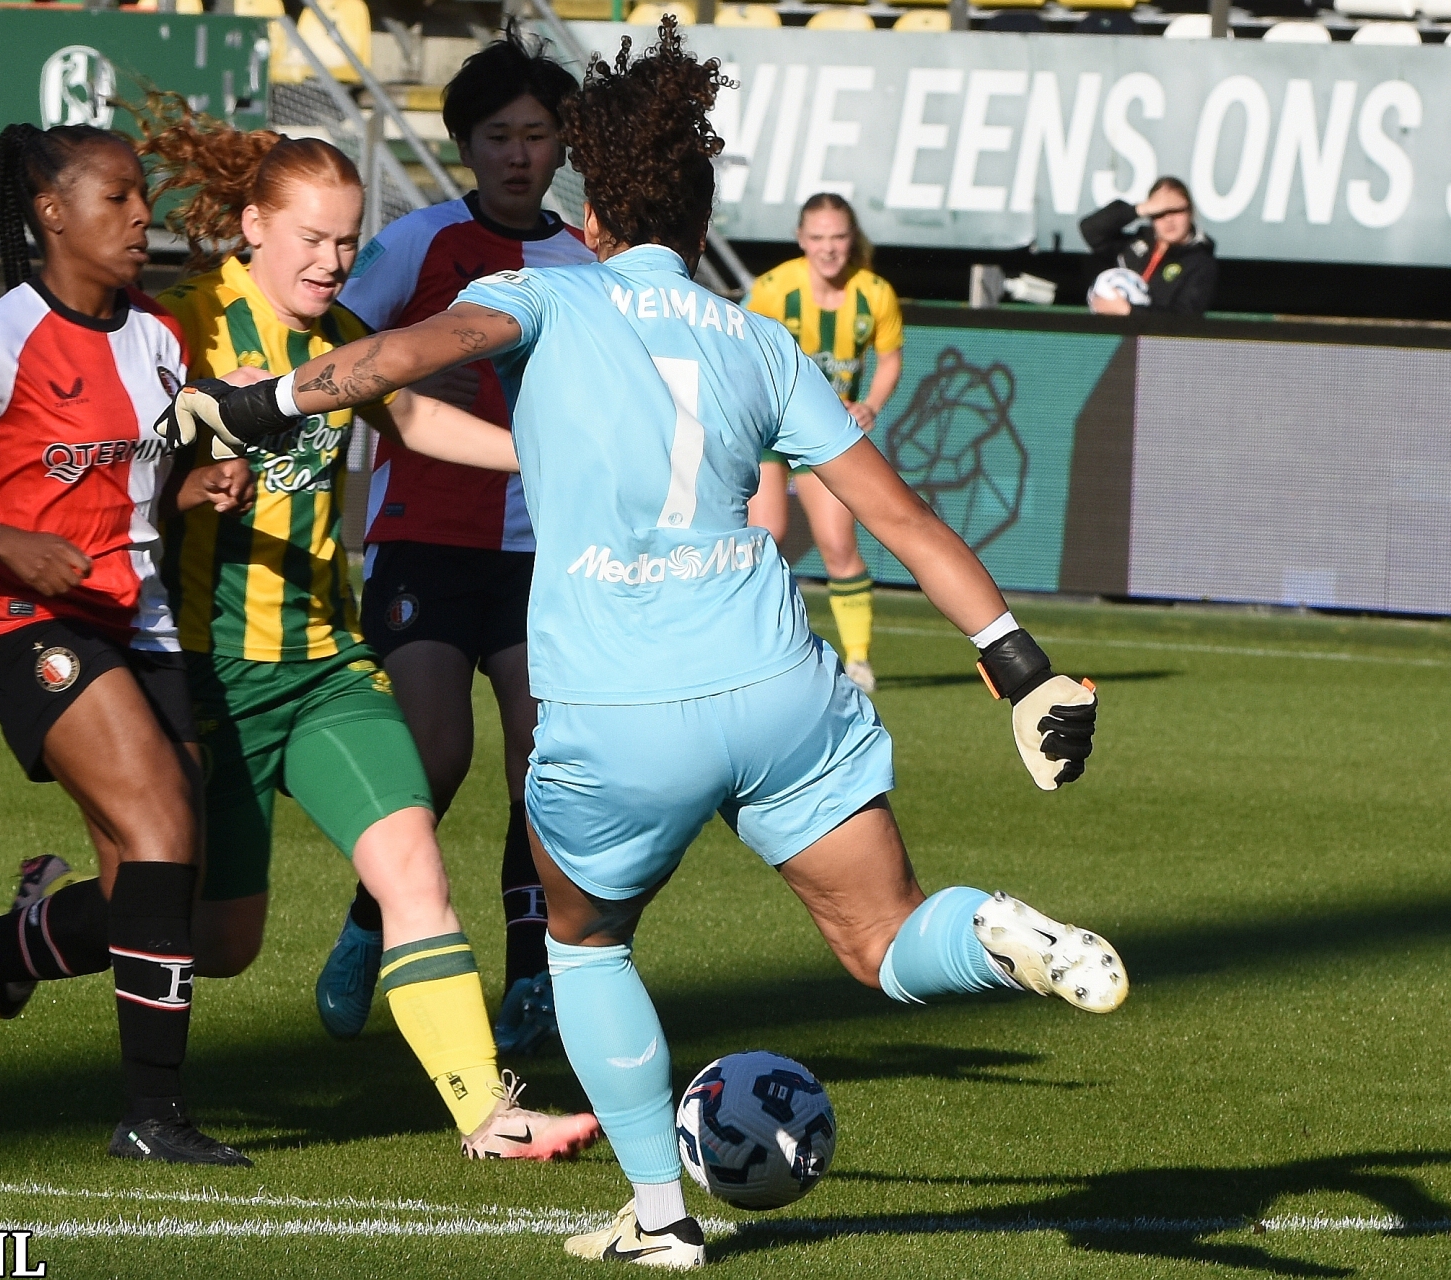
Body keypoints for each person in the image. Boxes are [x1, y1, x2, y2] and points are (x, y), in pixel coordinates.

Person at [172, 18, 1126, 1267]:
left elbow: (401, 358)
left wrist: (262, 399)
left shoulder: (540, 289)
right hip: (780, 682)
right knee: (884, 938)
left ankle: (660, 1215)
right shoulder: (760, 335)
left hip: (625, 708)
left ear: (593, 207)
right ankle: (1000, 927)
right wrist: (1020, 665)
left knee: (585, 940)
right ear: (701, 205)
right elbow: (900, 518)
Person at [135, 101, 601, 1161]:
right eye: (313, 238)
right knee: (222, 941)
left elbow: (419, 417)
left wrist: (540, 455)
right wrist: (175, 488)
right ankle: (35, 933)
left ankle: (488, 1110)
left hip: (328, 669)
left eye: (348, 240)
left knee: (412, 866)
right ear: (253, 226)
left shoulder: (345, 339)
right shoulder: (184, 325)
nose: (335, 259)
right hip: (214, 675)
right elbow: (123, 469)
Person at [0, 122, 255, 1165]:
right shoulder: (1, 339)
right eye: (119, 199)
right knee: (164, 828)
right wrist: (7, 542)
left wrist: (196, 483)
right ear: (53, 213)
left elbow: (141, 482)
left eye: (143, 198)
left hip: (142, 619)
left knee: (165, 900)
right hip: (22, 617)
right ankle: (149, 1113)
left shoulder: (160, 336)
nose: (143, 218)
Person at [321, 24, 595, 1056]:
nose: (518, 153)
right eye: (498, 135)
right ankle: (366, 921)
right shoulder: (420, 241)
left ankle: (531, 979)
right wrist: (393, 376)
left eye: (536, 133)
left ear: (563, 145)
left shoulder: (582, 262)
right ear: (467, 144)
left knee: (543, 765)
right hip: (422, 541)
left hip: (540, 555)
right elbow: (332, 343)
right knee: (436, 752)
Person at [745, 193, 903, 694]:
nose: (829, 249)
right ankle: (752, 649)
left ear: (851, 238)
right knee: (763, 537)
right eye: (818, 238)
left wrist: (870, 405)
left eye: (838, 237)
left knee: (838, 545)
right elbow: (742, 352)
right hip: (769, 428)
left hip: (826, 434)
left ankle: (858, 660)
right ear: (800, 239)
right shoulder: (773, 288)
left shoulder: (875, 292)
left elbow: (890, 358)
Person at [1080, 176, 1217, 316]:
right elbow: (1090, 230)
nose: (1168, 219)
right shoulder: (1136, 244)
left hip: (1157, 337)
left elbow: (1185, 319)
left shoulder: (1200, 262)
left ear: (1190, 212)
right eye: (1159, 213)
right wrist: (1140, 209)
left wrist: (1128, 311)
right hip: (1119, 335)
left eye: (1176, 211)